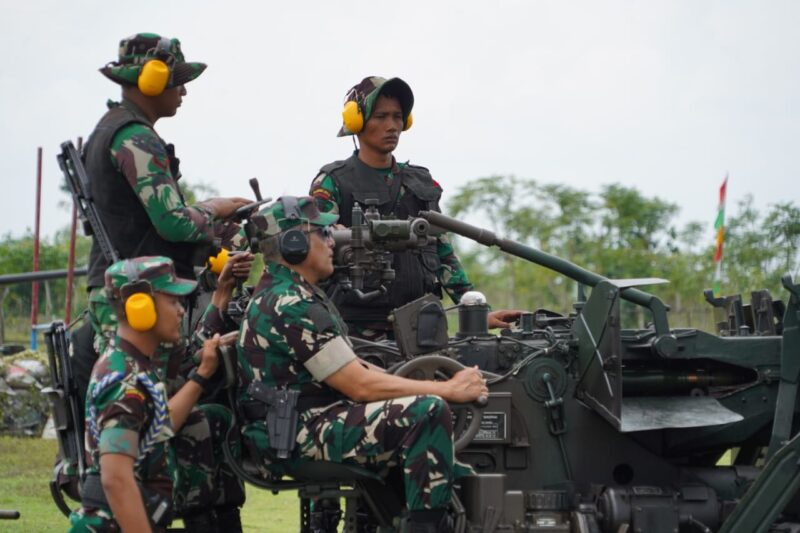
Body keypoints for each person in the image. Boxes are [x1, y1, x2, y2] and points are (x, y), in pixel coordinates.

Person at [237, 197, 488, 532]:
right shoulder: (291, 303)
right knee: (426, 412)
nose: (332, 242)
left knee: (427, 420)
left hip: (300, 425)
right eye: (323, 232)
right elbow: (358, 385)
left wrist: (410, 382)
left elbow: (358, 368)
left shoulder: (293, 294)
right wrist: (447, 389)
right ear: (294, 244)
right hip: (297, 434)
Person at [310, 76, 520, 340]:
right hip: (356, 332)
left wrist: (479, 311)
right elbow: (314, 251)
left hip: (423, 327)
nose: (392, 126)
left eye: (398, 117)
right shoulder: (333, 181)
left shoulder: (420, 181)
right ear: (357, 122)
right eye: (381, 116)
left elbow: (443, 252)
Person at [83, 32, 250, 353]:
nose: (183, 91)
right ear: (151, 80)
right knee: (145, 391)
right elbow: (173, 223)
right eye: (177, 81)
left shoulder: (111, 128)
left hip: (129, 287)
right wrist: (215, 207)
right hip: (138, 292)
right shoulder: (136, 137)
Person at [69, 257, 220, 532]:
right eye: (172, 302)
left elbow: (159, 427)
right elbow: (116, 478)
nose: (181, 311)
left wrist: (202, 375)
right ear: (141, 307)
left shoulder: (134, 366)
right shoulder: (124, 382)